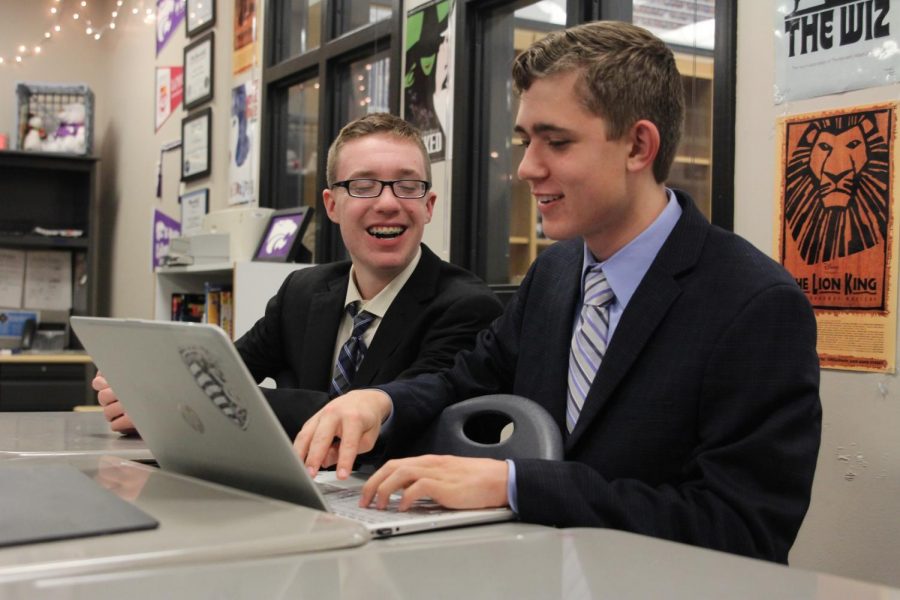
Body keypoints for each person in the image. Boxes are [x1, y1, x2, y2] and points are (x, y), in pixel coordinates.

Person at [295, 22, 822, 563]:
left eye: (558, 142)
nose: (526, 168)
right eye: (527, 141)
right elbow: (463, 379)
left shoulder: (755, 304)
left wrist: (517, 483)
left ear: (639, 145)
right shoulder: (555, 274)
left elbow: (743, 528)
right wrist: (379, 401)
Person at [95, 112, 503, 442]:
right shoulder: (303, 291)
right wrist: (150, 395)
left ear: (429, 205)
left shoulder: (466, 307)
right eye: (363, 186)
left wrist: (192, 399)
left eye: (407, 186)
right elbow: (223, 371)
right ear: (331, 204)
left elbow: (379, 421)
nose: (388, 203)